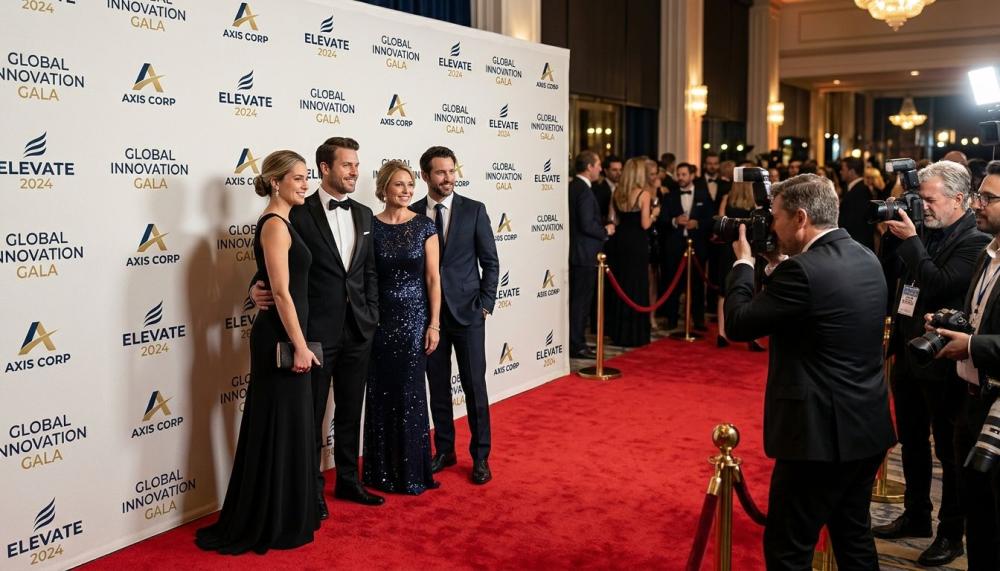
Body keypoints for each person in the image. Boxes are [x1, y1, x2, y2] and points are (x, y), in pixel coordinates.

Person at [724, 173, 896, 569]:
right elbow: (816, 312)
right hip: (866, 428)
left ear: (800, 218)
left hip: (819, 440)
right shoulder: (864, 256)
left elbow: (739, 324)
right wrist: (774, 267)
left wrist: (742, 264)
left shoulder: (802, 272)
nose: (771, 226)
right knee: (854, 539)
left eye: (777, 218)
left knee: (789, 550)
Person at [251, 137, 383, 516]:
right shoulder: (296, 211)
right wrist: (254, 287)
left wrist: (370, 314)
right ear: (325, 168)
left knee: (349, 409)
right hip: (313, 333)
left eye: (357, 165)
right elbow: (274, 265)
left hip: (358, 328)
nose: (355, 171)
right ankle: (312, 492)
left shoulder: (363, 213)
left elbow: (368, 271)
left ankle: (348, 481)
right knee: (308, 418)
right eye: (347, 165)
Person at [196, 151, 321, 554]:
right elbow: (282, 292)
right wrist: (300, 346)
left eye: (307, 178)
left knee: (286, 425)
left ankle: (283, 512)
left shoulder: (286, 221)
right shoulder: (274, 225)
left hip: (286, 333)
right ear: (275, 181)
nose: (305, 184)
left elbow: (270, 281)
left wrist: (254, 286)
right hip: (280, 341)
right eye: (298, 178)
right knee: (277, 425)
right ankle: (269, 518)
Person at [873, 160, 989, 566]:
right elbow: (897, 277)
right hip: (908, 352)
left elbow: (939, 283)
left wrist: (912, 241)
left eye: (929, 200)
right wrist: (896, 236)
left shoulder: (975, 242)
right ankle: (916, 514)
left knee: (948, 450)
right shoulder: (922, 231)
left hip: (943, 361)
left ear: (958, 199)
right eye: (919, 200)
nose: (923, 208)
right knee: (911, 442)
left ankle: (950, 533)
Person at [411, 146, 499, 485]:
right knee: (437, 387)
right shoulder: (414, 213)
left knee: (475, 386)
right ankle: (445, 450)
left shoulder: (474, 210)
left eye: (451, 171)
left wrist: (486, 304)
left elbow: (490, 262)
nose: (448, 178)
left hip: (468, 314)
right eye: (440, 173)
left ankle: (481, 457)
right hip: (429, 318)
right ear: (425, 176)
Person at [928, 160, 1000, 570]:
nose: (977, 204)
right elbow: (977, 317)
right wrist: (948, 324)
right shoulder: (987, 255)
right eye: (978, 195)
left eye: (988, 198)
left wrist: (972, 344)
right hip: (969, 402)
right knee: (979, 522)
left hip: (998, 409)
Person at [362, 160, 442, 495]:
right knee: (381, 393)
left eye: (410, 184)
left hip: (413, 320)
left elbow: (433, 279)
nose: (407, 190)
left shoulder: (425, 225)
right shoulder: (370, 225)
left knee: (410, 396)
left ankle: (411, 472)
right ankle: (380, 473)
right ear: (384, 187)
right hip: (379, 321)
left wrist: (434, 324)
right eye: (399, 184)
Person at [568, 150, 615, 358]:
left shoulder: (574, 187)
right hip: (584, 254)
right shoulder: (584, 190)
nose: (600, 169)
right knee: (581, 302)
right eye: (597, 165)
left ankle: (577, 342)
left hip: (578, 253)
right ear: (589, 167)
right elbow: (587, 224)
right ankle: (577, 345)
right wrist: (606, 231)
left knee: (579, 301)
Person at [606, 157, 654, 347]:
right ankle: (636, 335)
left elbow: (613, 219)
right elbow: (645, 224)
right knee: (637, 284)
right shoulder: (644, 194)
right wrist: (654, 215)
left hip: (620, 241)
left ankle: (620, 333)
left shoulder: (617, 192)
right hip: (637, 243)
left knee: (622, 285)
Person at [661, 162, 713, 331]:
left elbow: (711, 219)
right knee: (672, 283)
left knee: (697, 284)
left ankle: (698, 320)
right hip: (675, 245)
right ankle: (672, 319)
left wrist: (697, 223)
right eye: (679, 174)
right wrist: (675, 221)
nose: (681, 178)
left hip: (697, 245)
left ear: (691, 176)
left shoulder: (704, 195)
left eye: (684, 174)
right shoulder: (670, 196)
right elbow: (662, 220)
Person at [714, 181, 765, 352]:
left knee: (724, 290)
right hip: (748, 248)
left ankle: (721, 334)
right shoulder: (755, 203)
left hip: (729, 248)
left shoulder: (727, 198)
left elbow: (720, 223)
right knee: (751, 288)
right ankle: (753, 337)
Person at [838, 157, 875, 251]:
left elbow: (856, 225)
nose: (840, 172)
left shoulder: (860, 191)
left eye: (843, 169)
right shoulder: (856, 189)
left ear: (852, 171)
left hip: (856, 248)